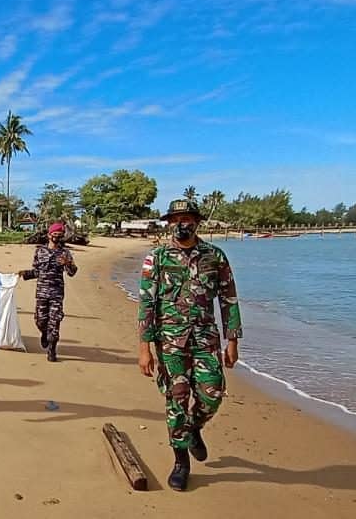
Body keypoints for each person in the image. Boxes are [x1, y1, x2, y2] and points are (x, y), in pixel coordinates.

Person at [137, 199, 242, 492]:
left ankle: (193, 429)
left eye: (187, 218)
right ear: (168, 223)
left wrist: (232, 340)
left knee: (213, 394)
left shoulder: (215, 256)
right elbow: (147, 302)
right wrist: (144, 348)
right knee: (177, 399)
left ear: (197, 222)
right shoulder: (156, 257)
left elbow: (228, 298)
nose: (181, 224)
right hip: (169, 342)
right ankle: (181, 462)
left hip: (206, 340)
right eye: (175, 219)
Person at [19, 222, 78, 362]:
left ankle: (52, 349)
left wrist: (67, 264)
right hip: (41, 293)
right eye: (55, 235)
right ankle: (44, 333)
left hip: (57, 293)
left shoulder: (65, 253)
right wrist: (25, 274)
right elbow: (37, 271)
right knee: (40, 321)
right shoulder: (40, 251)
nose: (57, 238)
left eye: (60, 235)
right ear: (49, 235)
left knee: (55, 321)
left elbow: (72, 272)